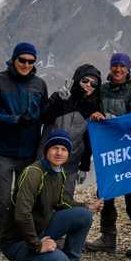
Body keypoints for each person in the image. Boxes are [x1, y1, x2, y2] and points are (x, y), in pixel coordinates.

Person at [1, 130, 104, 261]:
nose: (59, 153)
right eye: (55, 148)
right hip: (17, 240)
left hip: (40, 228)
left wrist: (87, 206)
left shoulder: (58, 172)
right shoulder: (33, 173)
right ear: (46, 150)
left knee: (83, 216)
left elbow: (62, 202)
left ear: (68, 153)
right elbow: (21, 214)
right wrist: (37, 244)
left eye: (63, 149)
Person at [0, 42, 48, 261]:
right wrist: (14, 120)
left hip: (28, 152)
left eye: (31, 61)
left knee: (23, 201)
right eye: (23, 60)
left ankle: (17, 242)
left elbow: (46, 113)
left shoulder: (39, 85)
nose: (27, 65)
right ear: (14, 59)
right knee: (0, 200)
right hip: (2, 151)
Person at [84, 53, 131, 261]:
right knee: (106, 194)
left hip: (130, 153)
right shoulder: (102, 89)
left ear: (128, 69)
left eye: (122, 66)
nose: (118, 70)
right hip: (107, 153)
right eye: (115, 65)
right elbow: (92, 109)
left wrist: (109, 119)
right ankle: (107, 237)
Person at [39, 63, 103, 198]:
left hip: (71, 165)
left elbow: (88, 139)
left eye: (94, 83)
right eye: (85, 80)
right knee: (42, 199)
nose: (88, 85)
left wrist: (84, 166)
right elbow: (44, 117)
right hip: (46, 161)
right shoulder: (61, 96)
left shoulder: (94, 108)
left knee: (65, 201)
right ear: (77, 79)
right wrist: (58, 102)